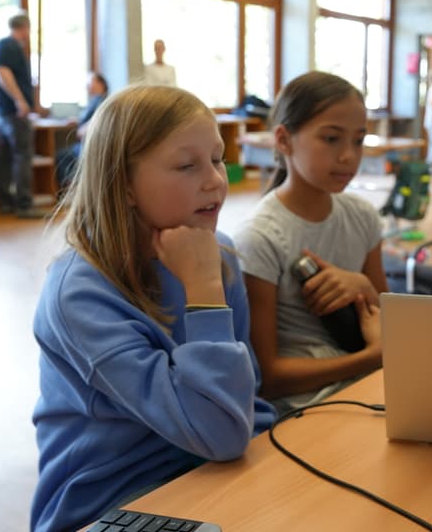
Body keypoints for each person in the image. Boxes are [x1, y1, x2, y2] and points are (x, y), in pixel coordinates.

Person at [31, 85, 275, 532]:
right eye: (187, 165)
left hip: (210, 470)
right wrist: (203, 289)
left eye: (218, 159)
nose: (215, 180)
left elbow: (243, 402)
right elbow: (219, 431)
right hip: (110, 505)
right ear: (123, 184)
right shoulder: (79, 295)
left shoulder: (216, 253)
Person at [234, 71, 387, 414]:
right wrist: (368, 358)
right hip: (307, 408)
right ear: (284, 141)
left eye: (359, 141)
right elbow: (268, 377)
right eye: (331, 139)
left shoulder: (362, 216)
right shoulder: (259, 238)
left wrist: (363, 285)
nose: (348, 156)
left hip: (369, 387)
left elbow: (387, 319)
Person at [0, 12, 44, 218]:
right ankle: (24, 204)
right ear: (25, 29)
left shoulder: (3, 46)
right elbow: (1, 71)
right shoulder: (10, 46)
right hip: (13, 113)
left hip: (3, 112)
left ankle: (7, 203)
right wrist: (20, 100)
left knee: (6, 157)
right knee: (22, 156)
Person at [55, 72, 109, 189]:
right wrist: (78, 121)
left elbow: (100, 119)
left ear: (101, 83)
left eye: (90, 82)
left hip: (92, 144)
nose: (87, 86)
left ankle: (72, 189)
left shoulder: (103, 101)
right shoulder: (94, 101)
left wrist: (84, 128)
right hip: (85, 142)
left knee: (62, 155)